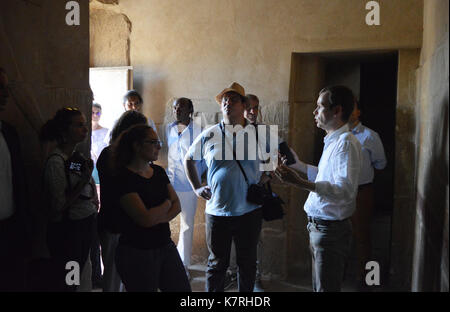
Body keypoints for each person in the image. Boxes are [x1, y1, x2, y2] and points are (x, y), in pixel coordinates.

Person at [275, 85, 362, 292]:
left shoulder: (346, 143)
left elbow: (345, 190)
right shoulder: (333, 140)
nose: (314, 112)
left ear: (337, 111)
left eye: (320, 106)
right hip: (320, 228)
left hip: (330, 231)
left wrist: (299, 183)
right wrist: (300, 166)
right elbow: (327, 177)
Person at [184, 82, 265, 292]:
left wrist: (263, 180)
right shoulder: (211, 133)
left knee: (247, 263)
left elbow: (272, 164)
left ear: (244, 105)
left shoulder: (259, 133)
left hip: (249, 210)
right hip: (217, 212)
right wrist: (196, 187)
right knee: (216, 263)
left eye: (234, 100)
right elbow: (189, 159)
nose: (228, 103)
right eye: (225, 101)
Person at [112, 124, 191, 292]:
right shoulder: (123, 178)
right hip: (136, 252)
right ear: (137, 145)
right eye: (153, 142)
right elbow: (145, 218)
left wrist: (156, 216)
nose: (159, 146)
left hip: (165, 245)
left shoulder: (158, 171)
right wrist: (166, 204)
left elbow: (177, 206)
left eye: (159, 141)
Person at [40, 107, 98, 291]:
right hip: (69, 232)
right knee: (69, 280)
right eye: (79, 125)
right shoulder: (56, 162)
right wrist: (82, 183)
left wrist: (93, 197)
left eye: (85, 125)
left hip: (83, 225)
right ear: (65, 130)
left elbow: (86, 186)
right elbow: (59, 205)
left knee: (81, 275)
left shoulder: (76, 156)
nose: (85, 129)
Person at [97, 110, 148, 292]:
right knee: (113, 277)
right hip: (114, 224)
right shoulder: (109, 154)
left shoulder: (131, 156)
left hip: (130, 225)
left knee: (131, 278)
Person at [225, 94, 267, 291]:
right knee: (228, 238)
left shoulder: (264, 132)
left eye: (256, 108)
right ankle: (231, 273)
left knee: (253, 240)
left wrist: (259, 183)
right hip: (230, 197)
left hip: (253, 196)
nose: (252, 111)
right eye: (249, 107)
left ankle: (254, 276)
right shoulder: (228, 130)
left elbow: (272, 164)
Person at [347, 100, 387, 288]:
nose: (349, 111)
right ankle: (341, 274)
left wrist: (363, 176)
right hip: (341, 192)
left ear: (359, 112)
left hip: (362, 191)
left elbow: (380, 164)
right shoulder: (337, 134)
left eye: (352, 107)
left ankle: (366, 279)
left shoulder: (370, 136)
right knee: (340, 234)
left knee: (362, 236)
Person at [166, 97, 205, 279]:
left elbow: (203, 160)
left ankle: (184, 266)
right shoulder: (169, 128)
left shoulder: (199, 131)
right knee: (163, 224)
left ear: (190, 110)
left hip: (189, 186)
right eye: (175, 108)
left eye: (181, 108)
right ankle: (165, 264)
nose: (177, 111)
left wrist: (199, 180)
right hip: (170, 185)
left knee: (187, 226)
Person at [0, 67, 31, 291]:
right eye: (0, 88)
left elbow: (18, 181)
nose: (5, 95)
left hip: (9, 228)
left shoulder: (9, 133)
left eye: (6, 88)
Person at [90, 102, 108, 289]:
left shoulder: (106, 132)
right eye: (93, 112)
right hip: (88, 178)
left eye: (98, 112)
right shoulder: (84, 133)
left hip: (100, 177)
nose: (95, 115)